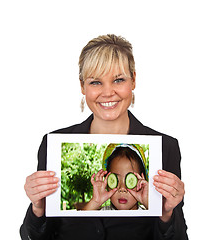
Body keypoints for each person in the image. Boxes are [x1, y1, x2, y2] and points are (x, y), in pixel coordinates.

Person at [20, 34, 188, 239]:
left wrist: (166, 213)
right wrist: (38, 208)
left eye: (118, 80)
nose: (108, 92)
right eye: (96, 82)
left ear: (133, 80)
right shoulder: (52, 144)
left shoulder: (165, 147)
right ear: (83, 86)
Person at [83, 144, 149, 211]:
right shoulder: (103, 213)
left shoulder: (150, 215)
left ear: (141, 184)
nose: (122, 188)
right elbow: (80, 221)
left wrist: (147, 202)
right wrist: (95, 202)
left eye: (130, 181)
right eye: (115, 180)